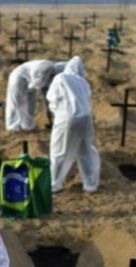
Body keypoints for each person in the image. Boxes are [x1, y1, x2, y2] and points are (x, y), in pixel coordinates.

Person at [46, 56, 100, 194]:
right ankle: (90, 184)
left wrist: (57, 112)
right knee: (86, 150)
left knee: (59, 151)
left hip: (67, 118)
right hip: (86, 118)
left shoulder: (61, 78)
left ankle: (54, 184)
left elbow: (52, 98)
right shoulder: (83, 82)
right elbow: (88, 99)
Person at [5, 59, 56, 132]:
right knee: (15, 101)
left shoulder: (52, 69)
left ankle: (28, 126)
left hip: (31, 80)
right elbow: (38, 84)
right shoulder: (43, 69)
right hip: (18, 77)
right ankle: (12, 127)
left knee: (30, 104)